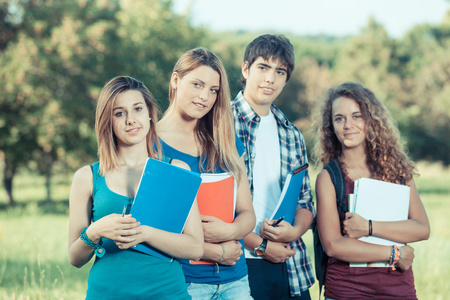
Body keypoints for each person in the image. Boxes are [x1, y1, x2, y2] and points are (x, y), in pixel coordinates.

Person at [68, 76, 204, 299]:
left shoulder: (177, 169)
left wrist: (143, 233)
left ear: (150, 114)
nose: (131, 119)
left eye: (138, 109)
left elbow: (195, 247)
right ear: (107, 121)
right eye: (119, 113)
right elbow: (75, 259)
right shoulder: (86, 177)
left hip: (168, 293)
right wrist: (95, 231)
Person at [314, 82, 430, 300]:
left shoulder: (397, 169)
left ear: (371, 120)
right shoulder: (328, 178)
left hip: (398, 289)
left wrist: (368, 227)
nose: (348, 125)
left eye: (356, 116)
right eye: (339, 118)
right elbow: (333, 246)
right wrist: (395, 253)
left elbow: (422, 228)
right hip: (347, 291)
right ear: (331, 126)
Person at [157, 47, 256, 299]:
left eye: (213, 90)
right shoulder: (151, 144)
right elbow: (150, 229)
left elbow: (247, 214)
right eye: (197, 84)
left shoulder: (225, 141)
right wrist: (212, 251)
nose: (205, 96)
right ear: (175, 80)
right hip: (184, 281)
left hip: (235, 280)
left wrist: (229, 232)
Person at [232, 34, 315, 300]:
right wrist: (260, 246)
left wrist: (295, 231)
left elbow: (305, 201)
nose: (270, 78)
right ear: (246, 69)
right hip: (238, 263)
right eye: (263, 68)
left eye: (280, 72)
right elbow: (210, 205)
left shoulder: (292, 134)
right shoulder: (221, 124)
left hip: (290, 265)